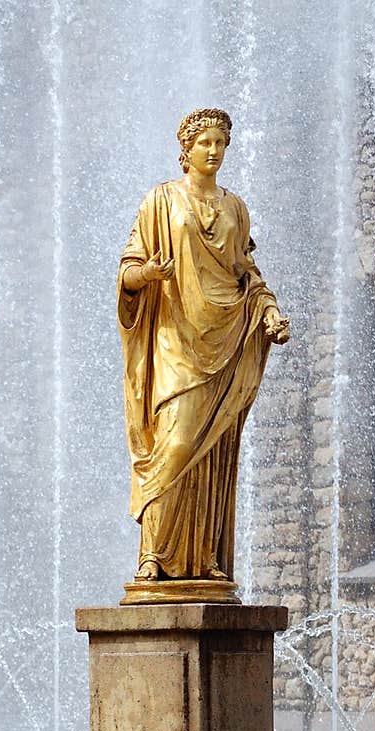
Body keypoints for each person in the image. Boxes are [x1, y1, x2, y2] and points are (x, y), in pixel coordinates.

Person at [118, 107, 290, 585]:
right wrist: (149, 274)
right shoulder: (159, 203)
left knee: (212, 449)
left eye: (221, 144)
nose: (213, 152)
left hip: (226, 338)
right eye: (204, 143)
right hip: (176, 341)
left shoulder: (235, 208)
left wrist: (270, 313)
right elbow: (128, 271)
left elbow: (247, 275)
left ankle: (202, 558)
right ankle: (152, 554)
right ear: (186, 149)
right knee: (173, 444)